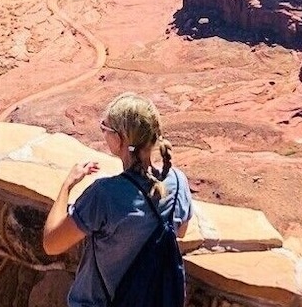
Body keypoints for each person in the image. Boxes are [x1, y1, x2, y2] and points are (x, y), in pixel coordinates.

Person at [42, 92, 193, 307]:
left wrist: (67, 185)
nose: (103, 133)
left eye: (106, 129)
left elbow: (52, 244)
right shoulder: (178, 182)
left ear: (120, 139)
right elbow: (180, 230)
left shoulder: (105, 194)